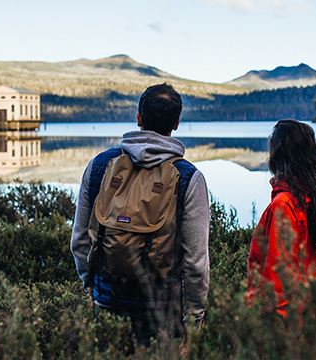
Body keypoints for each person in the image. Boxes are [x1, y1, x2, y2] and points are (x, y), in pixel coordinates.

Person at [70, 83, 210, 343]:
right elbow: (195, 263)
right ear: (177, 122)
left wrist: (91, 286)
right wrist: (194, 319)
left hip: (106, 302)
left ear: (138, 118)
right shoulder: (189, 178)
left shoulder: (100, 166)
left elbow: (79, 240)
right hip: (161, 311)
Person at [247, 119, 316, 316]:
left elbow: (277, 281)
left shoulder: (284, 205)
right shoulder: (309, 198)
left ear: (278, 155)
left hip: (281, 327)